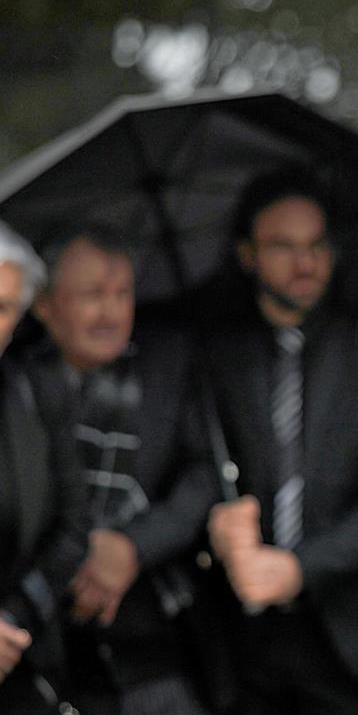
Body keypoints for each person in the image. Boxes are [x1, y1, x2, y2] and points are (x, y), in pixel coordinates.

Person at [205, 170, 358, 715]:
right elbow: (197, 470)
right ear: (247, 255)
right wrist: (218, 527)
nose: (305, 263)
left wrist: (298, 568)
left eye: (316, 245)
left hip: (346, 627)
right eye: (283, 246)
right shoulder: (217, 357)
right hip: (235, 631)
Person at [28, 226, 217, 715]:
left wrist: (132, 547)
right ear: (45, 305)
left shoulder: (171, 363)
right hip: (36, 638)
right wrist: (72, 555)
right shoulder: (18, 381)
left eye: (123, 293)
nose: (111, 312)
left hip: (151, 634)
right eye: (93, 294)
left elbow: (204, 474)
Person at [0, 221, 87, 715]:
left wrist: (10, 620)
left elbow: (72, 528)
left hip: (21, 660)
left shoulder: (36, 392)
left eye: (3, 307)